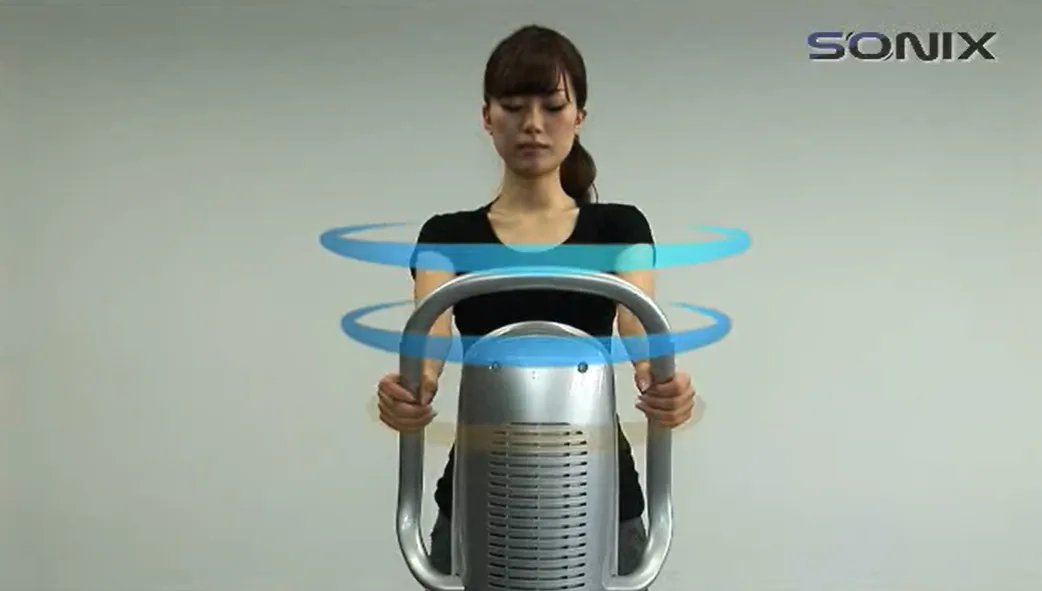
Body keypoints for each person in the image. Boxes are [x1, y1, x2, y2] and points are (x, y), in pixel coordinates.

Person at [374, 24, 697, 582]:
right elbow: (428, 341)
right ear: (486, 116)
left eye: (552, 106)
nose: (532, 123)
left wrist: (664, 384)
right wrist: (408, 391)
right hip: (480, 489)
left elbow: (640, 327)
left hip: (601, 494)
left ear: (579, 117)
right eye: (513, 106)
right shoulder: (447, 236)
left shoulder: (618, 228)